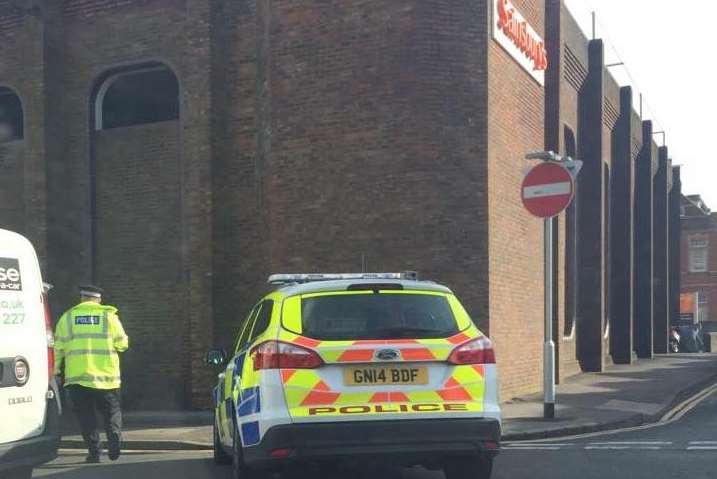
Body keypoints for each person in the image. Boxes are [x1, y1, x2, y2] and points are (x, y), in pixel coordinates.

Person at [54, 285, 129, 463]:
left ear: (82, 299)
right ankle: (114, 438)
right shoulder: (109, 317)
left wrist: (54, 371)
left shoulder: (68, 318)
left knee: (86, 417)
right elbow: (122, 344)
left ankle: (94, 453)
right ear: (98, 300)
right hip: (106, 379)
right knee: (111, 412)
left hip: (77, 379)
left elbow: (57, 349)